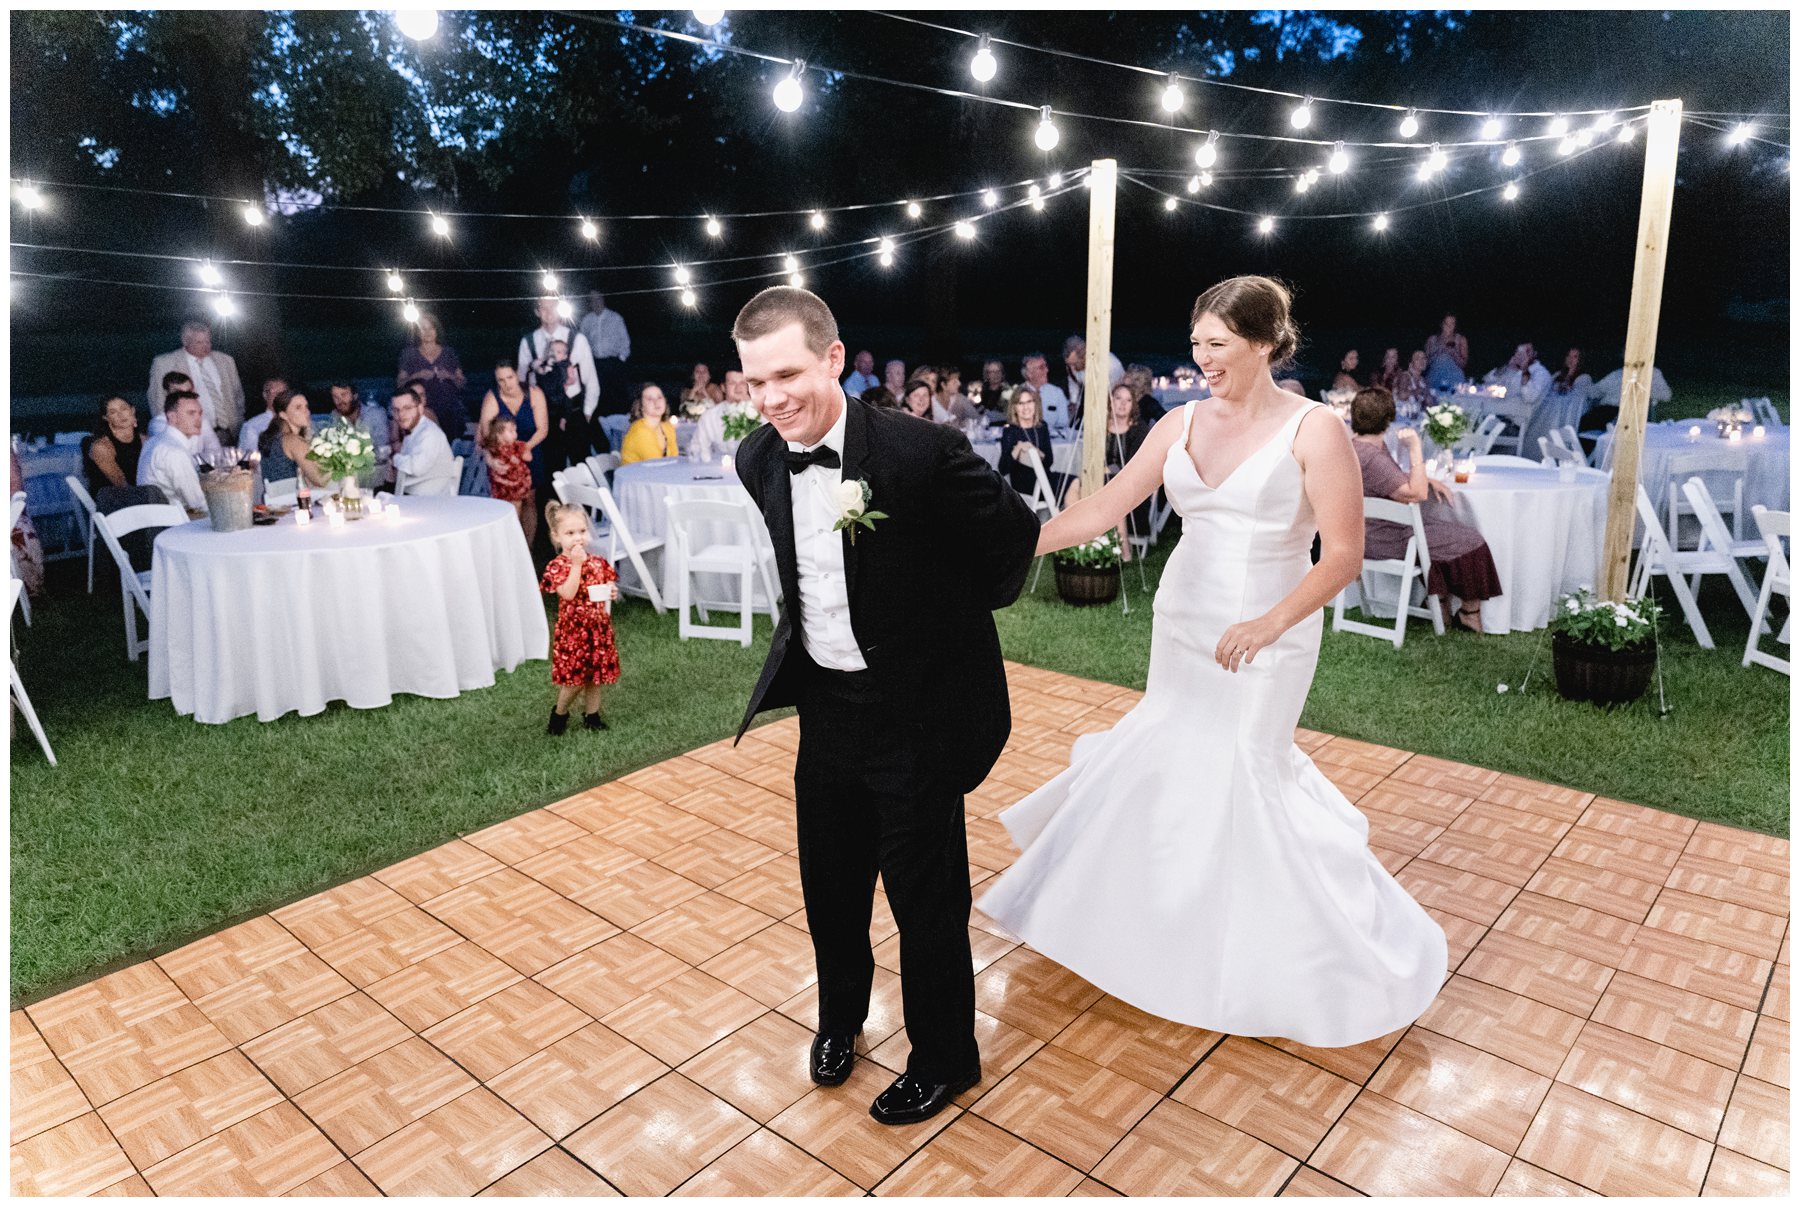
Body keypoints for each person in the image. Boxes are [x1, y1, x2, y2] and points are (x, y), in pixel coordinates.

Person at [977, 275, 1447, 1049]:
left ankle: (1293, 955)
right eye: (1196, 344)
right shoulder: (1182, 422)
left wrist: (1268, 622)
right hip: (1186, 618)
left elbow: (1345, 555)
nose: (1202, 360)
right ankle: (1165, 934)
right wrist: (1015, 543)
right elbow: (1104, 506)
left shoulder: (1314, 430)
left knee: (1245, 769)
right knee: (1173, 759)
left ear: (1264, 342)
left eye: (1218, 345)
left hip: (1273, 626)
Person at [729, 285, 1038, 1126]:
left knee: (923, 895)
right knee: (829, 883)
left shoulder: (920, 452)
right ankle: (840, 1021)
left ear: (833, 358)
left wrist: (943, 618)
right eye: (754, 382)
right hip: (824, 706)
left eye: (787, 373)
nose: (772, 398)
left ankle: (945, 1055)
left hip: (918, 713)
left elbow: (1012, 542)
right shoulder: (757, 458)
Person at [1348, 386, 1503, 634]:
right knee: (1471, 540)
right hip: (1387, 540)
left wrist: (1426, 479)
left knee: (1437, 531)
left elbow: (1389, 481)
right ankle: (1469, 612)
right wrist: (1414, 448)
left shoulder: (1354, 447)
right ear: (1388, 421)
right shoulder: (1372, 456)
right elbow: (1416, 494)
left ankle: (1439, 605)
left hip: (1364, 535)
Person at [540, 500, 621, 734]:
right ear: (557, 537)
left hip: (597, 627)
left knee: (595, 675)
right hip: (574, 632)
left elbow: (605, 584)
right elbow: (567, 592)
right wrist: (576, 565)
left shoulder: (597, 562)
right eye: (570, 533)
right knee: (575, 678)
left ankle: (592, 715)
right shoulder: (557, 566)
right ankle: (560, 713)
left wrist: (611, 591)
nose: (578, 538)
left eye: (582, 531)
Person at [519, 297, 600, 472]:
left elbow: (591, 379)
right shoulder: (529, 341)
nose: (549, 312)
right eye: (544, 308)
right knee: (551, 469)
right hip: (544, 414)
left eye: (553, 307)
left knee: (581, 469)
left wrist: (586, 414)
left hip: (573, 412)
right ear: (537, 312)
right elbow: (522, 380)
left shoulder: (576, 339)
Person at [147, 317, 245, 447]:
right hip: (190, 436)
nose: (206, 346)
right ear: (185, 341)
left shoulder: (226, 361)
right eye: (199, 342)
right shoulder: (164, 363)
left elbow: (238, 396)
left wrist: (238, 422)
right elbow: (158, 403)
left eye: (208, 341)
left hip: (229, 432)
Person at [480, 361, 551, 502]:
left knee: (530, 499)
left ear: (517, 374)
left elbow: (543, 429)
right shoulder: (492, 397)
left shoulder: (534, 393)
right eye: (501, 380)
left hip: (530, 448)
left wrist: (525, 448)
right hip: (503, 454)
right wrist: (491, 459)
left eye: (510, 377)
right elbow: (485, 435)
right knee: (509, 501)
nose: (507, 384)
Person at [137, 391, 210, 516]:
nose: (198, 419)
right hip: (174, 524)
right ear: (172, 417)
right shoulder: (174, 452)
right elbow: (198, 503)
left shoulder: (154, 441)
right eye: (191, 413)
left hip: (153, 519)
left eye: (200, 413)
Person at [398, 312, 469, 439]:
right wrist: (417, 375)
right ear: (418, 332)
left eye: (431, 328)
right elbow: (399, 384)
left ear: (436, 330)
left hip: (448, 410)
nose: (427, 332)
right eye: (423, 329)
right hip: (422, 410)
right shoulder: (409, 354)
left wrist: (449, 376)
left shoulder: (449, 353)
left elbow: (462, 383)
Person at [391, 388, 459, 496]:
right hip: (415, 497)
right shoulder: (415, 431)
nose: (401, 414)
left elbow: (417, 468)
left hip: (432, 503)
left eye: (407, 408)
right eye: (396, 410)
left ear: (420, 409)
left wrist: (394, 459)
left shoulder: (429, 433)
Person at [259, 390, 332, 490]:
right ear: (283, 415)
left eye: (306, 406)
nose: (306, 411)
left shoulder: (275, 438)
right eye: (298, 407)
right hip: (293, 501)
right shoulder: (292, 441)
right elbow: (320, 479)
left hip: (276, 501)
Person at [149, 369, 226, 464]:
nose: (185, 398)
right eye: (178, 393)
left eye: (188, 392)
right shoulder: (158, 424)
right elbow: (177, 460)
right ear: (167, 394)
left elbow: (216, 452)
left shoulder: (202, 418)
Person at [484, 415, 537, 543]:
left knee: (510, 512)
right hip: (511, 487)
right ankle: (511, 538)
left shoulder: (495, 448)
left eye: (515, 431)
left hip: (509, 488)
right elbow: (528, 457)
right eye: (511, 431)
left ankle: (513, 539)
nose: (515, 434)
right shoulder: (512, 447)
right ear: (499, 434)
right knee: (512, 513)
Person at [578, 291, 632, 416]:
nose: (595, 303)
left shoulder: (615, 318)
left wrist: (621, 359)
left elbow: (625, 341)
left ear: (602, 299)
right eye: (592, 300)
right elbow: (582, 342)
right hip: (596, 363)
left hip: (613, 362)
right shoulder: (587, 320)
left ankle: (621, 422)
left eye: (597, 299)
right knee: (598, 396)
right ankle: (601, 425)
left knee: (617, 395)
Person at [997, 386, 1056, 498]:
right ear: (1014, 408)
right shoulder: (1010, 431)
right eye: (1020, 403)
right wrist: (1017, 449)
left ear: (1035, 404)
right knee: (1072, 484)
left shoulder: (1042, 426)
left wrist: (1036, 452)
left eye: (1029, 402)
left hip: (1044, 480)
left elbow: (1049, 461)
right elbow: (1003, 469)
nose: (1025, 407)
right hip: (1025, 485)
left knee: (1076, 483)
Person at [328, 382, 391, 488]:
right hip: (348, 481)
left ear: (355, 395)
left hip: (377, 480)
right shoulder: (334, 417)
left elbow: (383, 449)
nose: (340, 401)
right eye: (335, 397)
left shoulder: (376, 414)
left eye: (344, 395)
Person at [1584, 358, 1673, 430]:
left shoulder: (1653, 373)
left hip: (1627, 413)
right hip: (1605, 410)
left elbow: (1666, 395)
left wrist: (1644, 392)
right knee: (1584, 422)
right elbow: (1594, 392)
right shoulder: (1618, 374)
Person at [83, 396, 145, 494]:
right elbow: (121, 484)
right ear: (106, 418)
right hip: (112, 498)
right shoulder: (102, 446)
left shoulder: (144, 439)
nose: (121, 415)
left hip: (141, 492)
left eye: (123, 409)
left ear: (132, 410)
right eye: (113, 412)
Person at [1061, 334, 1125, 420]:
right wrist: (1073, 400)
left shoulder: (1110, 365)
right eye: (1069, 365)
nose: (1072, 368)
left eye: (1074, 364)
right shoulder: (1073, 365)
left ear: (1084, 357)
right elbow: (1073, 381)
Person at [691, 369, 750, 462]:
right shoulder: (710, 416)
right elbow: (698, 451)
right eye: (732, 383)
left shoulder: (763, 414)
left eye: (742, 383)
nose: (738, 388)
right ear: (723, 387)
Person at [619, 384, 680, 464]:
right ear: (641, 406)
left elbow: (675, 460)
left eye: (659, 397)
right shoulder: (640, 432)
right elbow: (657, 465)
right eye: (649, 399)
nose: (656, 402)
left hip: (658, 474)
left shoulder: (667, 427)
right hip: (638, 475)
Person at [1483, 341, 1551, 406]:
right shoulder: (1514, 369)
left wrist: (1525, 370)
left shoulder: (1541, 373)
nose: (1521, 356)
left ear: (1535, 354)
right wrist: (1505, 368)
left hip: (1519, 416)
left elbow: (1530, 398)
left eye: (1526, 352)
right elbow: (1487, 382)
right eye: (1518, 352)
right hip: (1499, 411)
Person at [238, 377, 288, 456]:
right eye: (275, 393)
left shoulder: (297, 419)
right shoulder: (252, 426)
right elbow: (248, 461)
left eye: (283, 393)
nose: (280, 397)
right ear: (265, 395)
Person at [1021, 353, 1072, 429]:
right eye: (1041, 367)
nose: (1047, 370)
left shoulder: (1057, 393)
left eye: (1046, 366)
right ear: (1029, 374)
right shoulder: (1018, 393)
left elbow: (1063, 423)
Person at [1423, 312, 1469, 391]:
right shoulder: (1432, 340)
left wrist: (1453, 353)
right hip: (1435, 377)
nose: (1449, 326)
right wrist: (1438, 352)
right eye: (1446, 323)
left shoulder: (1461, 340)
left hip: (1455, 378)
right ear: (1441, 324)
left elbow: (1464, 364)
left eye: (1452, 324)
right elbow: (1425, 364)